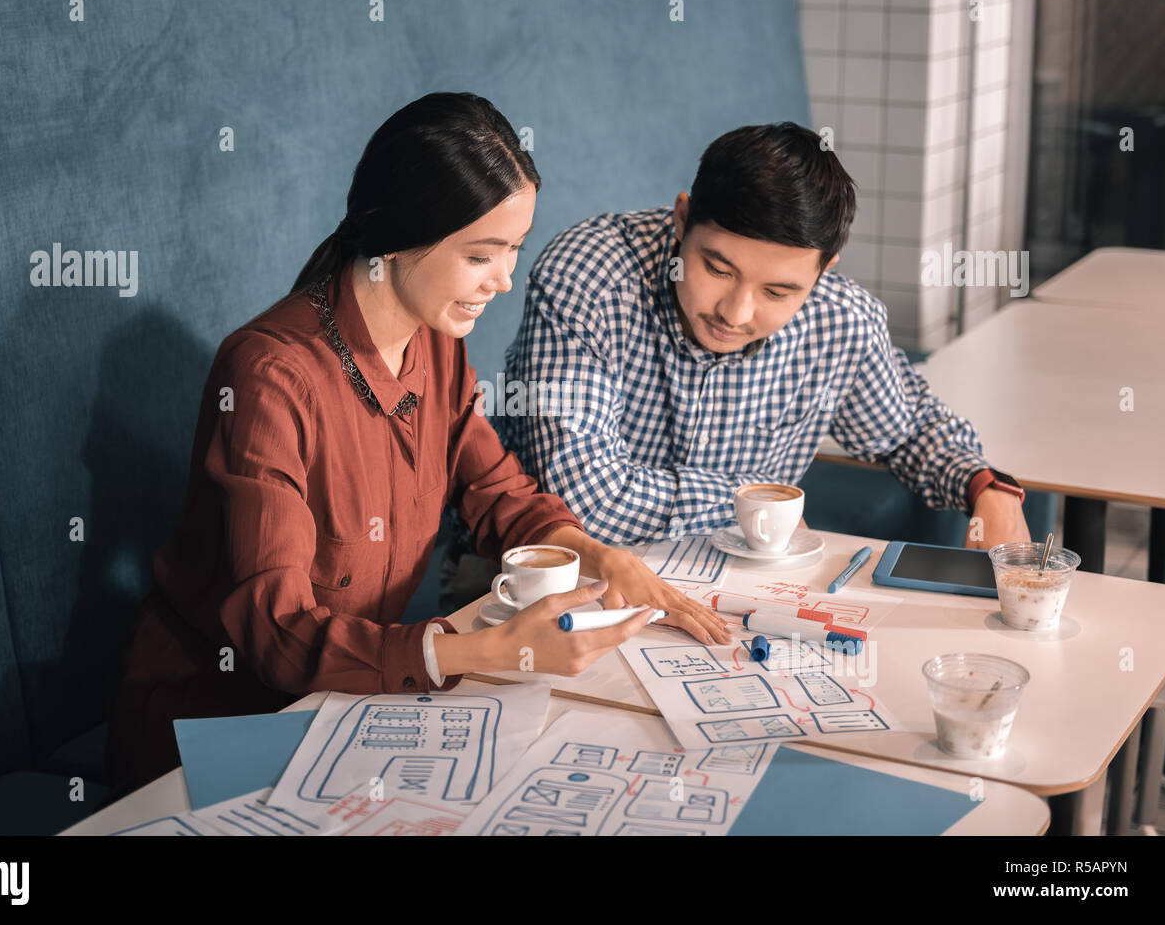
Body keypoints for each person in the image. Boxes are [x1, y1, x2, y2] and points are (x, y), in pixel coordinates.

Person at [105, 92, 726, 796]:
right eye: (480, 255)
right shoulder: (268, 375)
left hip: (345, 712)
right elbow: (277, 632)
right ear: (399, 235)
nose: (503, 281)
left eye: (513, 251)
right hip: (216, 733)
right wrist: (493, 649)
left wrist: (603, 559)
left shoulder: (436, 340)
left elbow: (499, 493)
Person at [497, 121, 1032, 550]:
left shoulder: (838, 320)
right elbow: (584, 501)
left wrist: (987, 489)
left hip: (741, 587)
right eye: (718, 269)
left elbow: (906, 428)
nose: (735, 311)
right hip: (552, 576)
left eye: (778, 293)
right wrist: (753, 500)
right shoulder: (591, 277)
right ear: (683, 219)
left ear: (822, 273)